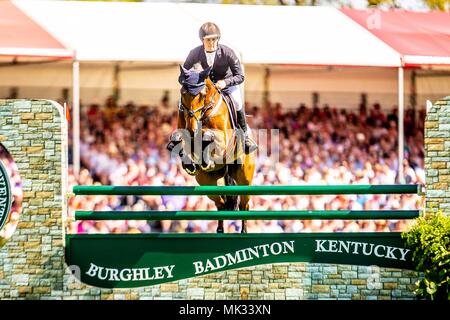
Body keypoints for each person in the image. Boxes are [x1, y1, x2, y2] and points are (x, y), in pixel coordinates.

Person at [179, 22, 257, 154]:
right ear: (202, 40)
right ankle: (181, 135)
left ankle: (245, 137)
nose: (212, 42)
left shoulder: (227, 52)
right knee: (183, 102)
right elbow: (182, 76)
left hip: (227, 87)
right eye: (208, 40)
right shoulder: (195, 53)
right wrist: (193, 84)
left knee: (237, 102)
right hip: (204, 89)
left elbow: (240, 76)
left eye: (214, 39)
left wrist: (225, 82)